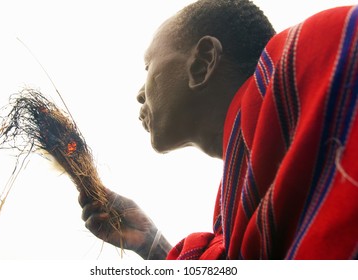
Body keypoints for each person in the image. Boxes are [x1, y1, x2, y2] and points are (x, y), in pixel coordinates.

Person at [79, 0, 358, 259]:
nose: (140, 94)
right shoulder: (235, 209)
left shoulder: (325, 50)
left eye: (149, 66)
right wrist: (151, 244)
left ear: (202, 63)